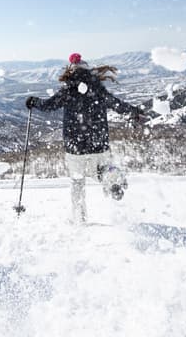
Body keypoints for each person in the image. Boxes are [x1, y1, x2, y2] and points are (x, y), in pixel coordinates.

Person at [25, 53, 146, 224]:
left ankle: (79, 219)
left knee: (77, 182)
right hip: (99, 142)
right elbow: (116, 104)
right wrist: (134, 111)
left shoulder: (68, 90)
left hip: (75, 147)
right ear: (89, 71)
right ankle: (112, 181)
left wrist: (33, 101)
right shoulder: (98, 89)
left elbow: (48, 106)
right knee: (103, 169)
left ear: (71, 71)